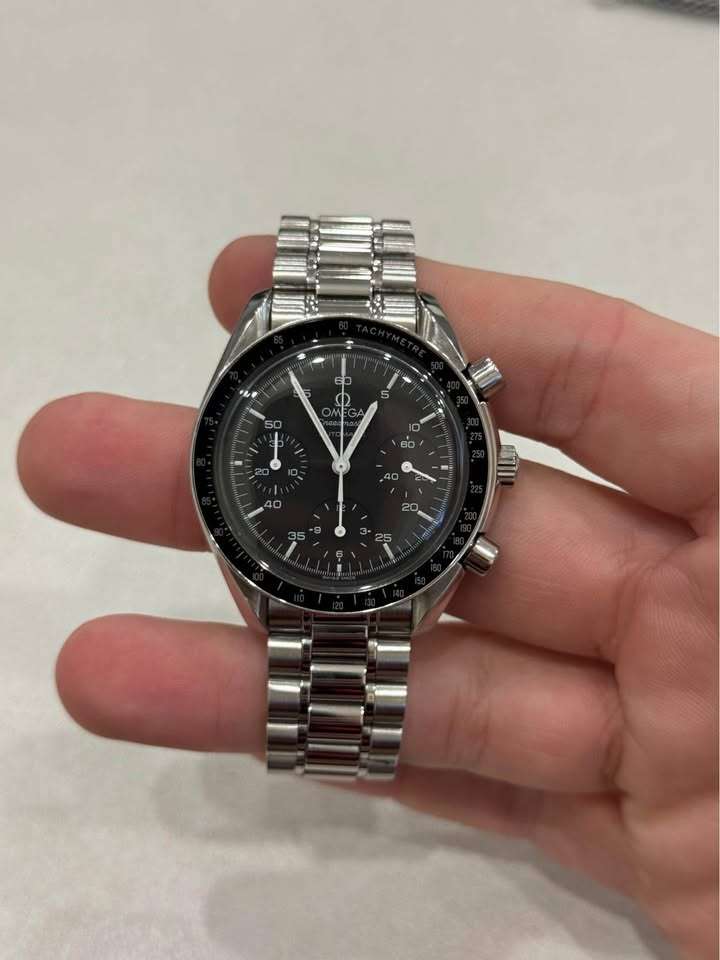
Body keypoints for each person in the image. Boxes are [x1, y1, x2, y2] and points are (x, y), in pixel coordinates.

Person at [17, 236, 718, 958]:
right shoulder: (270, 415)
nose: (343, 466)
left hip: (375, 562)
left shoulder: (439, 444)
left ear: (490, 465)